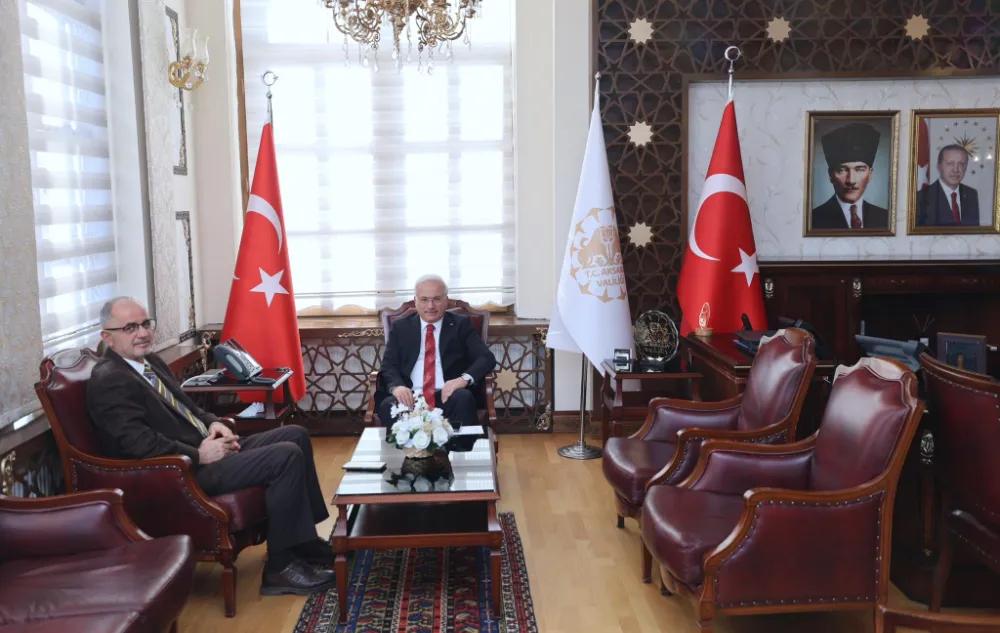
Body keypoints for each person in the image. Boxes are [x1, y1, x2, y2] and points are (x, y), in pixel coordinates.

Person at [86, 297, 335, 596]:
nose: (142, 333)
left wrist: (214, 423)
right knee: (285, 456)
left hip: (204, 447)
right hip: (180, 472)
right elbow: (136, 444)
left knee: (295, 435)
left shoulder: (148, 362)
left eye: (145, 324)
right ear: (107, 337)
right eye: (130, 328)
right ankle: (280, 569)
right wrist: (199, 455)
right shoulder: (110, 380)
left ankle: (303, 542)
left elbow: (188, 407)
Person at [375, 275, 497, 429]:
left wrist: (462, 380)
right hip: (411, 395)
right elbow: (388, 365)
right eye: (424, 299)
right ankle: (410, 446)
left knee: (463, 397)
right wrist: (397, 387)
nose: (430, 306)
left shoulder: (460, 324)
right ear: (415, 301)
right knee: (388, 406)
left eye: (436, 299)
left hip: (448, 394)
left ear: (446, 300)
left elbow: (486, 358)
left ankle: (460, 445)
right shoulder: (401, 327)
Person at [811, 122, 890, 230]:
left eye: (860, 170)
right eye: (842, 170)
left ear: (870, 174)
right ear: (831, 175)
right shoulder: (813, 220)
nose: (851, 180)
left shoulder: (885, 218)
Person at [916, 144, 981, 226]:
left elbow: (974, 230)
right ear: (939, 167)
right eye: (950, 163)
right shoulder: (921, 197)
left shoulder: (971, 194)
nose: (956, 170)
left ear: (965, 167)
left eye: (961, 164)